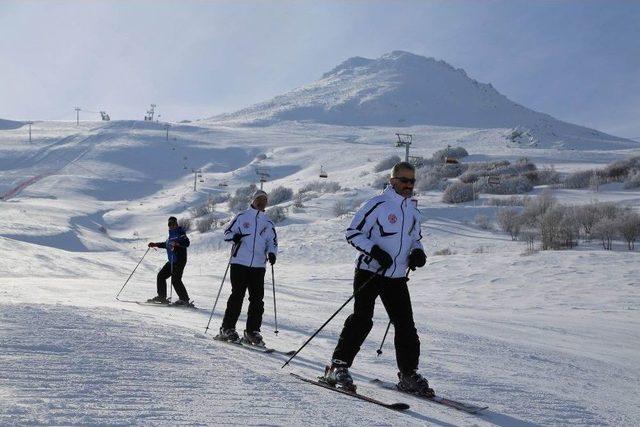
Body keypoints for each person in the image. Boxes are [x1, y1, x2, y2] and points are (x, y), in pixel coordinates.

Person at [323, 161, 433, 396]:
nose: (408, 185)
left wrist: (418, 252)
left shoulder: (413, 210)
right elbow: (352, 232)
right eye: (404, 180)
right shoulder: (378, 204)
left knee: (406, 326)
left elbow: (416, 238)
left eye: (412, 181)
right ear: (392, 180)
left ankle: (408, 375)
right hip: (369, 272)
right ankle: (338, 367)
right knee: (362, 319)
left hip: (396, 277)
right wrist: (374, 251)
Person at [217, 190, 278, 346]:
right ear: (253, 200)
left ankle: (252, 332)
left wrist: (272, 253)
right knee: (237, 295)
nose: (262, 202)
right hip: (239, 262)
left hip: (258, 265)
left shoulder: (268, 223)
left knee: (257, 300)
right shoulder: (242, 216)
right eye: (259, 199)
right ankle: (227, 328)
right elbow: (226, 233)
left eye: (264, 200)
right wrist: (234, 237)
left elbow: (272, 242)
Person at [147, 216, 192, 306]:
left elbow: (187, 243)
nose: (171, 226)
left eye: (173, 224)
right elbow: (166, 244)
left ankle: (184, 300)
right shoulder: (171, 235)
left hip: (179, 260)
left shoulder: (180, 232)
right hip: (172, 261)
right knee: (161, 276)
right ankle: (162, 297)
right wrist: (155, 244)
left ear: (176, 224)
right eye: (169, 224)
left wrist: (177, 244)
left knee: (176, 280)